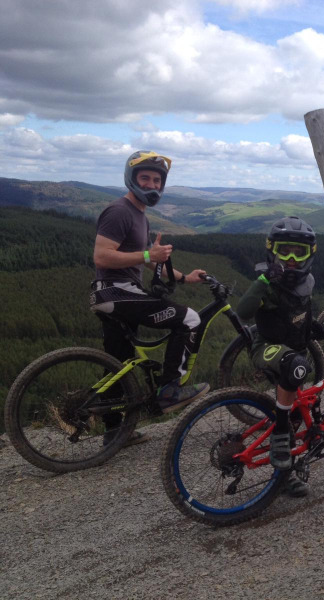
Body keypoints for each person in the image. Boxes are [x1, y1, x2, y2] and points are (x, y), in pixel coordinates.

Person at [89, 151, 210, 447]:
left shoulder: (139, 214)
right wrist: (147, 254)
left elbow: (147, 262)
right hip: (116, 291)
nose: (152, 184)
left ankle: (113, 434)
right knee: (190, 320)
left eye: (157, 180)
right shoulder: (120, 211)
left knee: (119, 364)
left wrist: (184, 278)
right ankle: (170, 390)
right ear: (132, 178)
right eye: (146, 178)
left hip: (113, 295)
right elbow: (102, 255)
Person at [236, 216, 324, 498]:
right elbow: (243, 311)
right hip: (267, 347)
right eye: (284, 251)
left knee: (299, 415)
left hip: (294, 348)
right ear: (272, 250)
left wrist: (313, 327)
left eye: (298, 253)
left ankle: (286, 472)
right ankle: (278, 438)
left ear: (309, 255)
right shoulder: (268, 282)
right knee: (296, 367)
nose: (290, 259)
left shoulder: (306, 282)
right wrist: (263, 282)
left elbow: (299, 313)